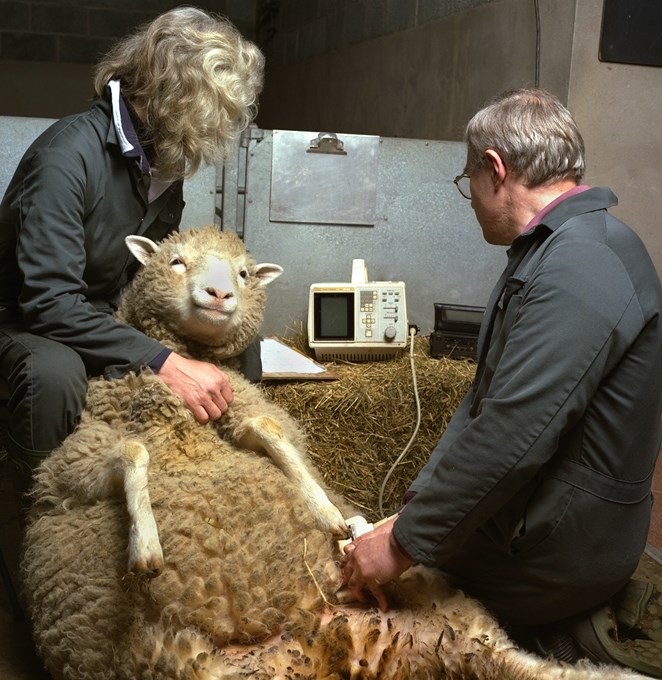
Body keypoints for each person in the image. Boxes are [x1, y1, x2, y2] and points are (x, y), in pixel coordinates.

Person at [342, 88, 662, 673]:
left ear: (495, 170)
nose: (471, 199)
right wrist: (417, 508)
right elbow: (483, 404)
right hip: (548, 514)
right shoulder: (550, 249)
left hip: (562, 547)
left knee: (372, 617)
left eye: (468, 180)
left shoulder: (581, 264)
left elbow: (517, 431)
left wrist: (402, 545)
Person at [0, 7, 265, 492]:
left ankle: (215, 489)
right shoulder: (65, 157)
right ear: (172, 90)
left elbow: (149, 280)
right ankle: (36, 509)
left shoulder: (161, 162)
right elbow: (47, 303)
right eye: (210, 107)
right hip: (25, 319)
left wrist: (181, 340)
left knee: (239, 353)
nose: (212, 132)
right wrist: (163, 360)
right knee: (55, 375)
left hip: (104, 313)